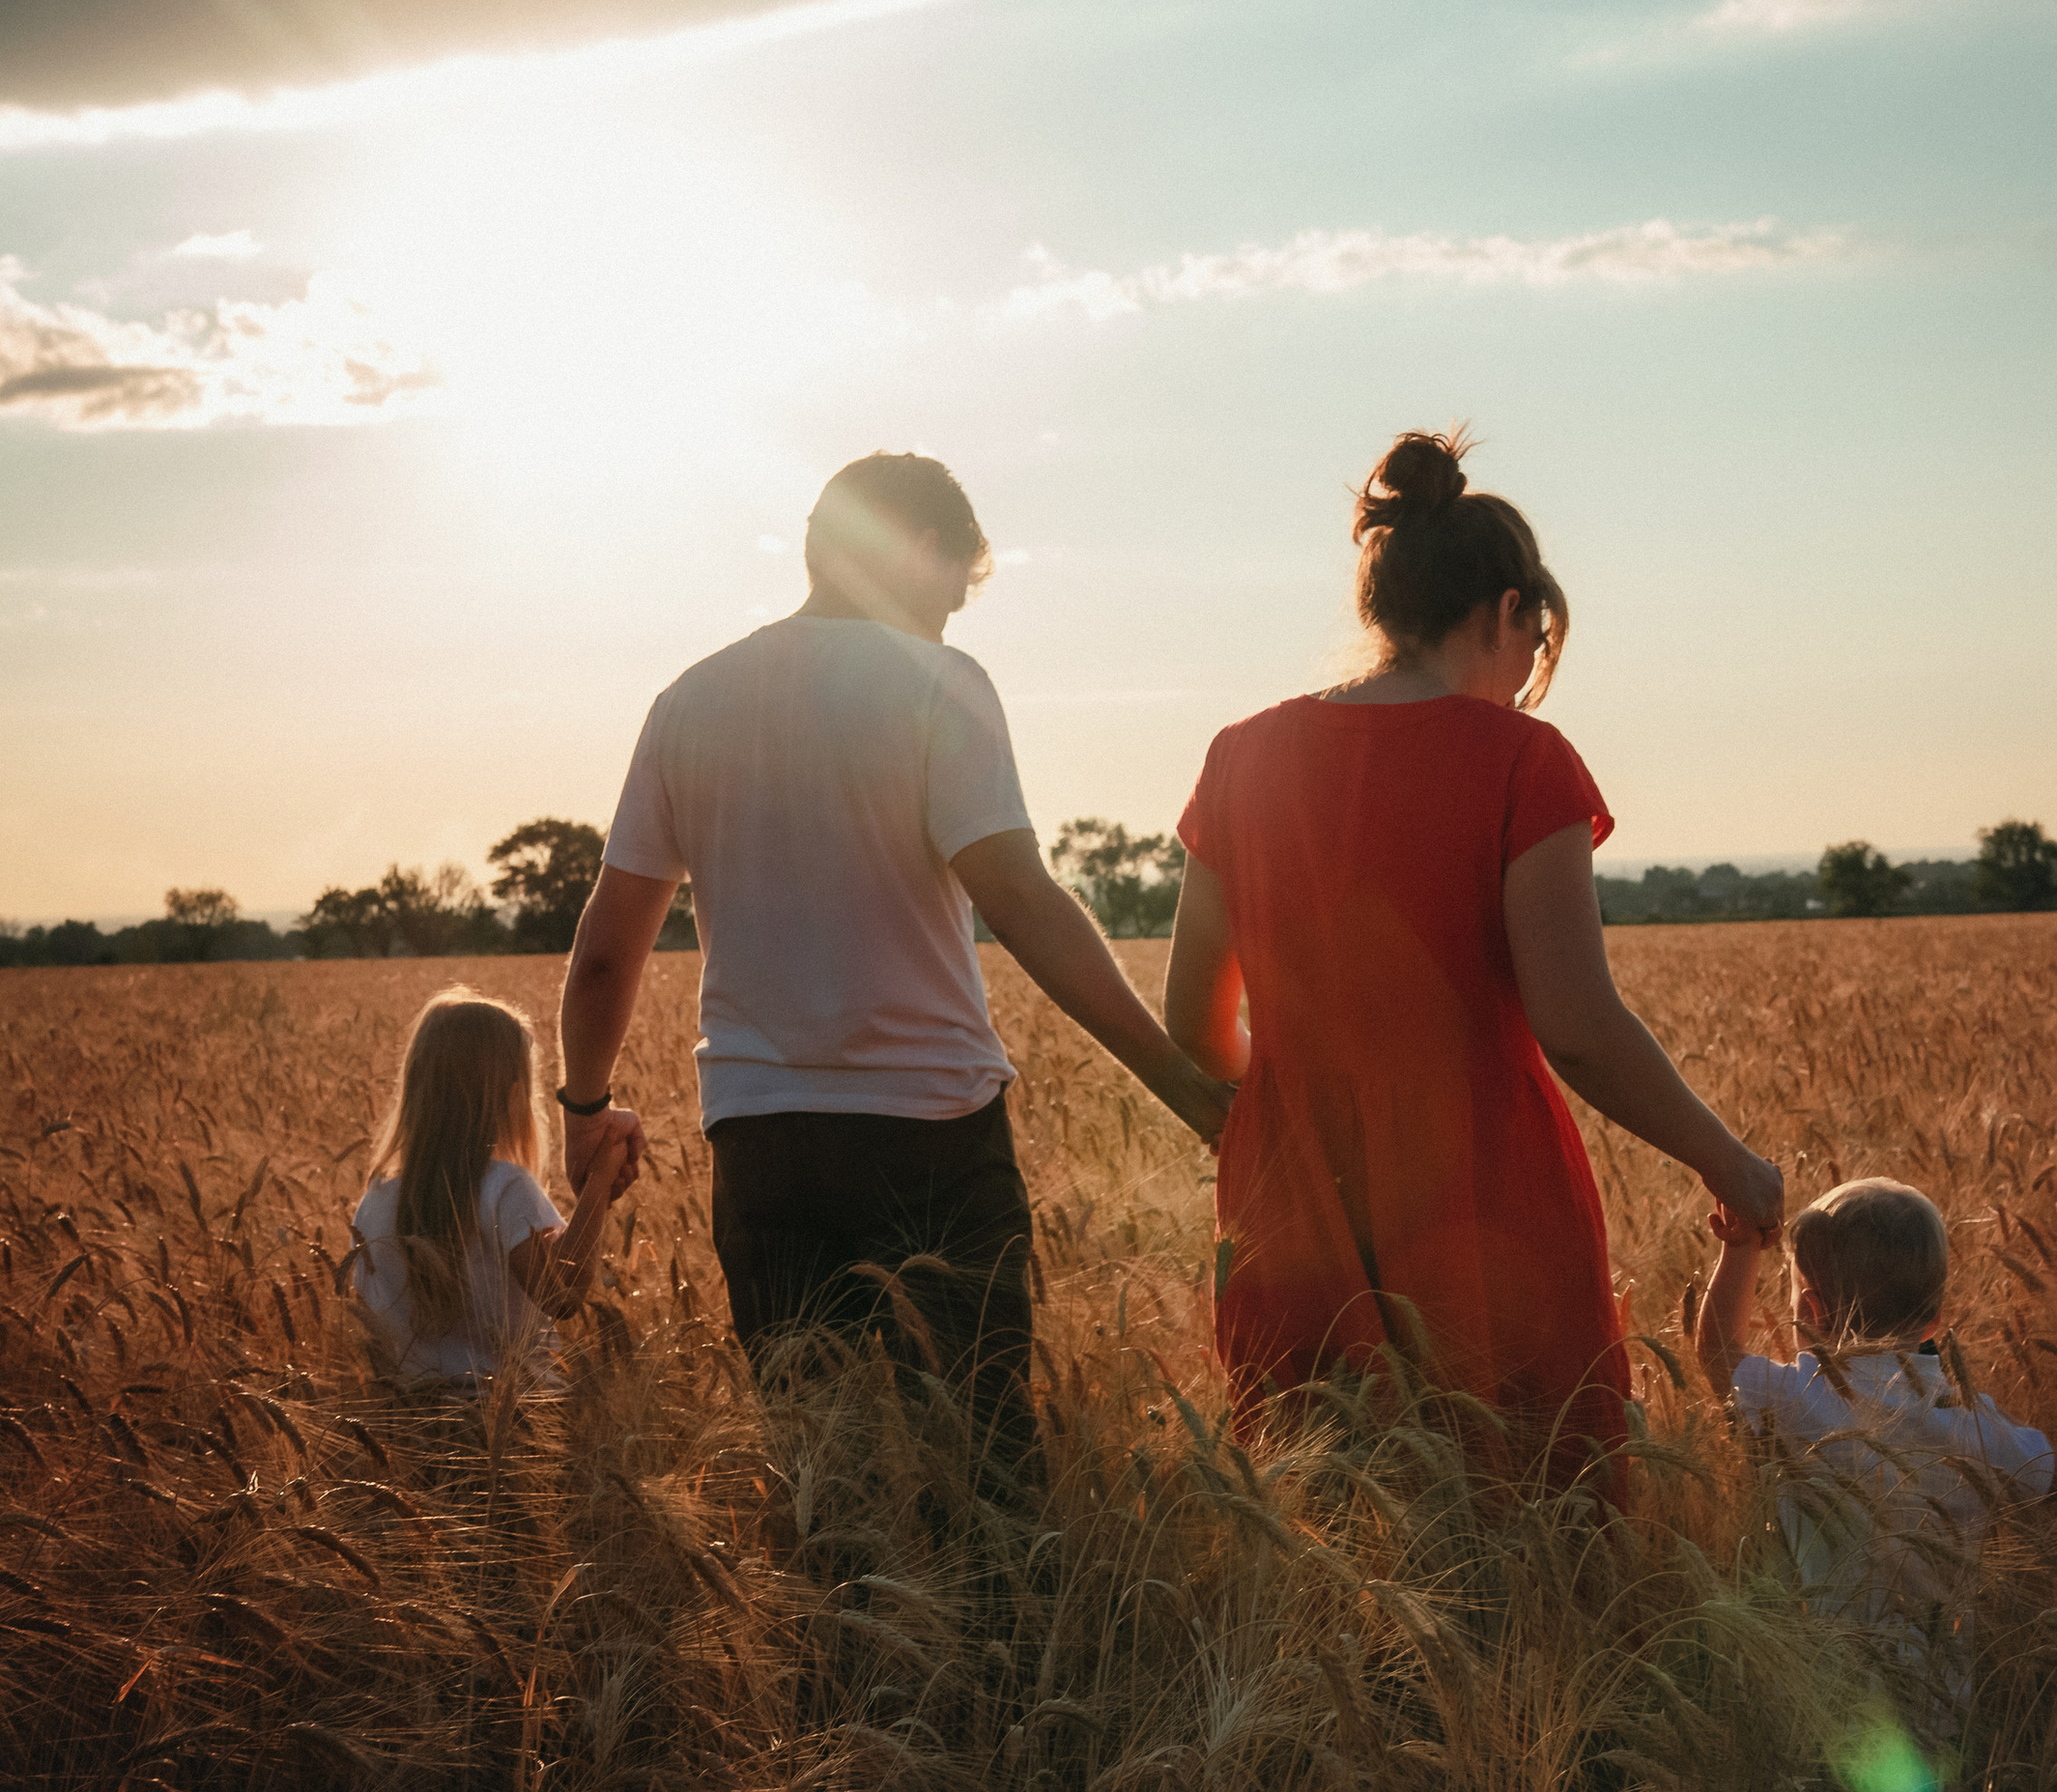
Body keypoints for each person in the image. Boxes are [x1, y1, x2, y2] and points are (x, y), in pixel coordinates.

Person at [557, 451, 1230, 1487]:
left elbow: (607, 948)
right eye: (952, 594)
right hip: (930, 1134)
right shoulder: (936, 684)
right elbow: (1018, 898)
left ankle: (840, 1652)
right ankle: (998, 1652)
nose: (950, 624)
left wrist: (585, 1103)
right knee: (982, 1469)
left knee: (822, 1474)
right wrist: (1179, 1079)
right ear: (917, 550)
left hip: (760, 1136)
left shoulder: (688, 701)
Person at [1162, 427, 1783, 1476]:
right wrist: (1728, 1163)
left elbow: (1190, 1015)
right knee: (1524, 1526)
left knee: (1327, 1513)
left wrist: (1288, 1119)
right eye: (1537, 645)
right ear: (1505, 612)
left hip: (1286, 1194)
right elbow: (1577, 1029)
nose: (1529, 677)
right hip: (1480, 1196)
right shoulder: (1520, 763)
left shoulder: (1241, 756)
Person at [1692, 1175, 2054, 1683]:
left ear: (1812, 1312)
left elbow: (1717, 1353)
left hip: (1828, 1681)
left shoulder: (1802, 1403)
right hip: (1943, 1689)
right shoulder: (1968, 1424)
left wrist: (1742, 1246)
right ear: (1934, 1322)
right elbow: (2042, 1471)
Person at [350, 989, 627, 1392]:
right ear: (514, 1095)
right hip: (516, 1419)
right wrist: (599, 1183)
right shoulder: (505, 1189)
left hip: (416, 1421)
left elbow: (372, 1325)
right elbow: (563, 1295)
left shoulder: (375, 1199)